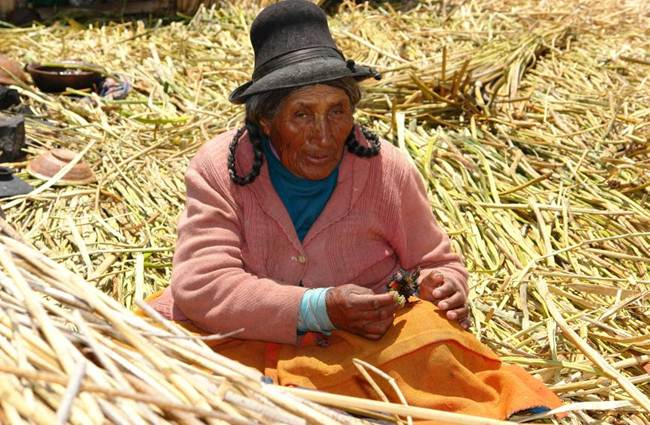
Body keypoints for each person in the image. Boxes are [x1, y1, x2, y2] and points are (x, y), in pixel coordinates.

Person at [147, 0, 561, 420]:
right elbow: (202, 284)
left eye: (337, 112)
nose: (324, 136)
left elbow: (435, 262)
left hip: (362, 344)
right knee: (161, 362)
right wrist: (318, 307)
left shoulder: (386, 169)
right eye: (302, 115)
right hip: (243, 335)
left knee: (439, 349)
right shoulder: (222, 167)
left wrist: (444, 285)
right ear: (266, 121)